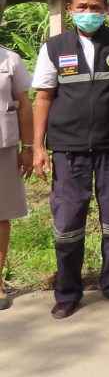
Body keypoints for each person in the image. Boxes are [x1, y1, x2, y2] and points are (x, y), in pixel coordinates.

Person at [32, 0, 109, 319]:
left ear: (106, 9)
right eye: (82, 6)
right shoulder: (54, 47)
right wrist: (37, 147)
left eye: (96, 7)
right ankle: (68, 292)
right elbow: (43, 98)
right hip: (68, 149)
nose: (89, 12)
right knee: (67, 222)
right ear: (70, 9)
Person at [0, 46, 34, 311]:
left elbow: (24, 104)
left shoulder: (9, 59)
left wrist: (29, 147)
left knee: (1, 215)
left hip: (3, 148)